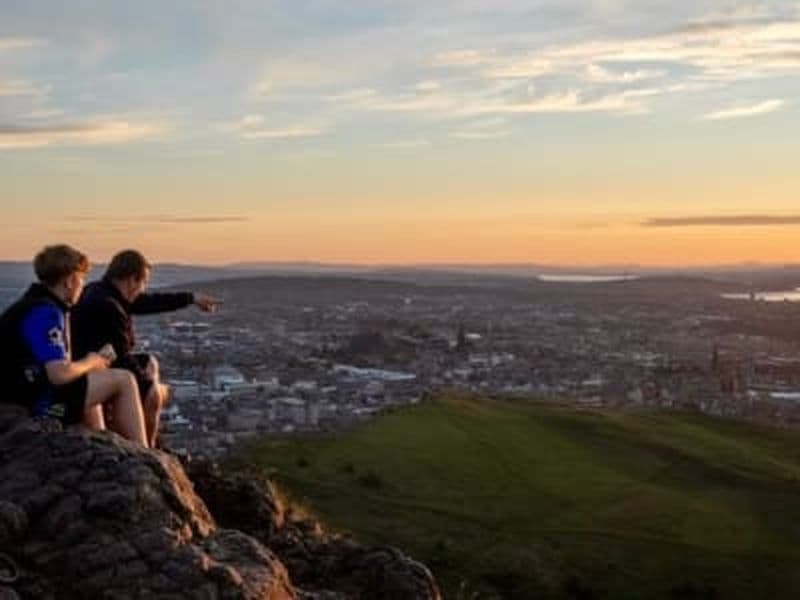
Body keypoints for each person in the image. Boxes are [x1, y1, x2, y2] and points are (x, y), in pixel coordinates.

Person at [0, 245, 148, 446]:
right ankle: (142, 450)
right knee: (125, 379)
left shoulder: (35, 303)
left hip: (21, 391)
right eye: (81, 278)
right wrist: (91, 361)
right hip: (33, 401)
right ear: (70, 281)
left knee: (86, 385)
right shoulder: (46, 313)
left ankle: (102, 446)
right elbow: (58, 374)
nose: (83, 284)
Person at [71, 249, 218, 447]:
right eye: (143, 282)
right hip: (90, 373)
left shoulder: (103, 291)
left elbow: (149, 302)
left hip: (96, 364)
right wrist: (154, 389)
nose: (143, 288)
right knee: (153, 395)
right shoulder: (108, 307)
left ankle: (143, 432)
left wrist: (191, 298)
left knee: (150, 363)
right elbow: (121, 358)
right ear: (132, 280)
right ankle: (146, 448)